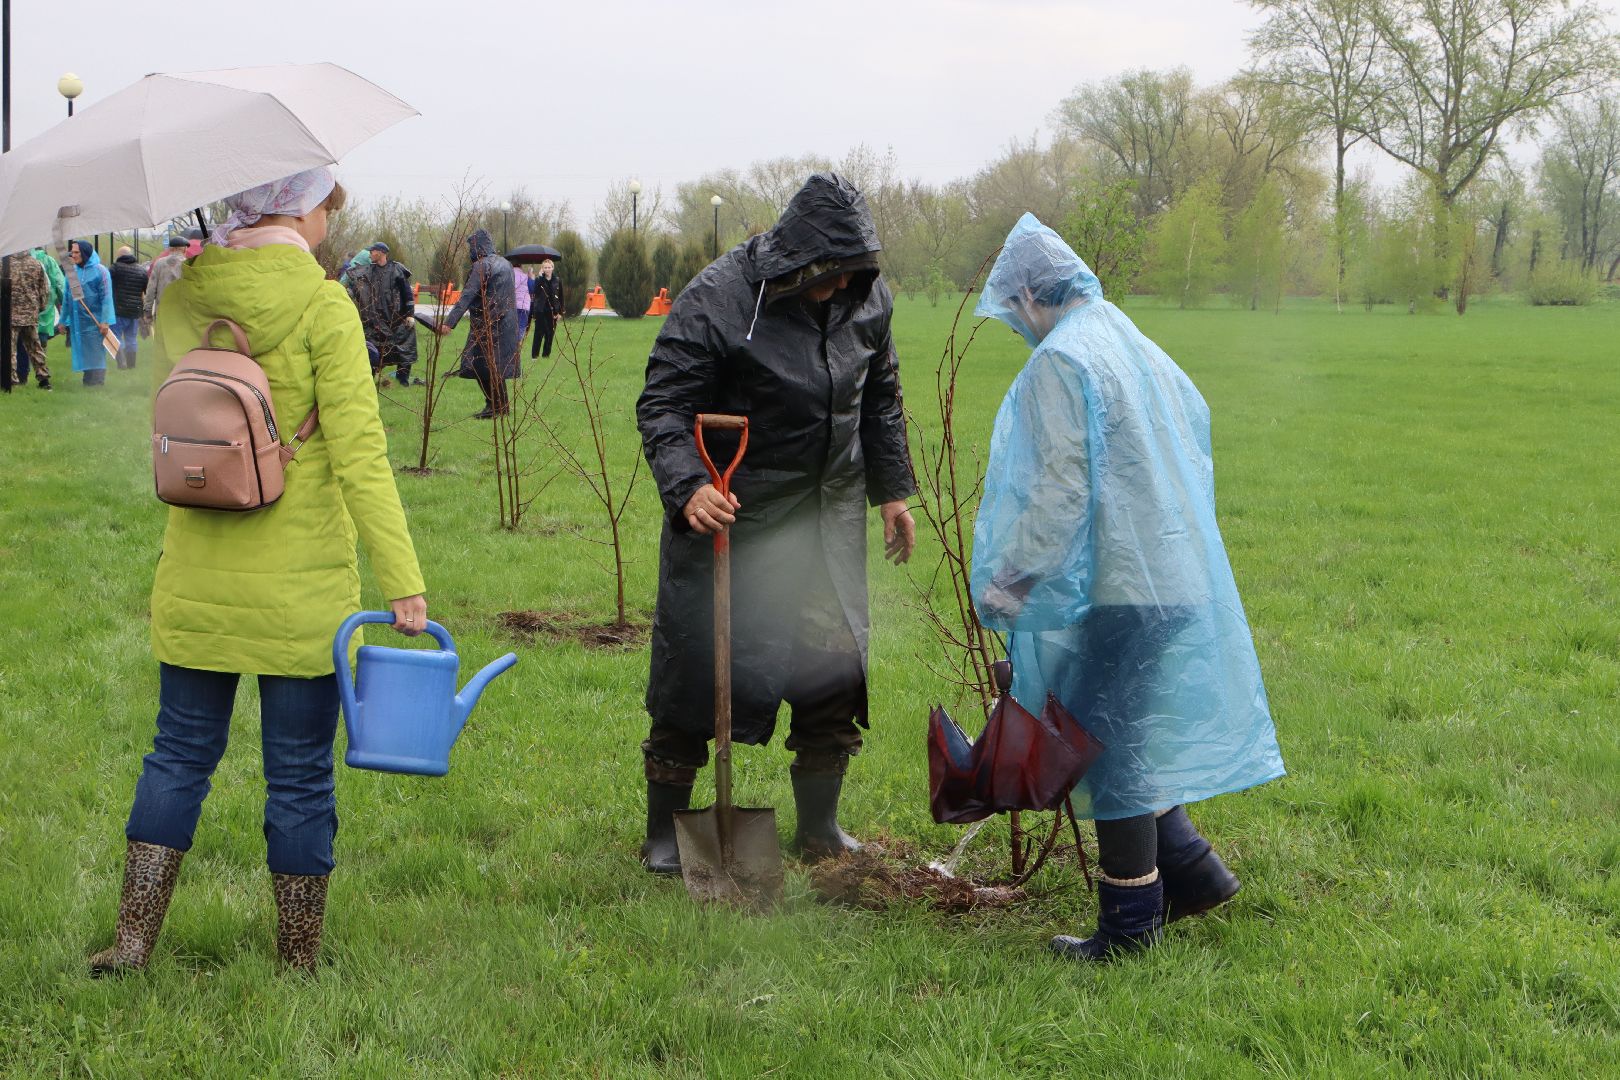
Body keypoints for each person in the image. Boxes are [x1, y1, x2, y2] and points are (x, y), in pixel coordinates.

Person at [88, 166, 428, 976]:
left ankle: (131, 944)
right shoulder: (323, 305)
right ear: (294, 208)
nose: (325, 225)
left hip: (197, 575)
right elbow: (361, 457)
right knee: (301, 775)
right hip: (301, 589)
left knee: (177, 755)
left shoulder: (181, 298)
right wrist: (403, 579)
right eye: (321, 208)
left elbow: (174, 431)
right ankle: (298, 961)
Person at [969, 214, 1285, 962]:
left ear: (1028, 295)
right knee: (1114, 730)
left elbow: (1059, 490)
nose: (1016, 324)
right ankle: (1195, 874)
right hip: (1173, 572)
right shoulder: (1126, 339)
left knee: (1102, 740)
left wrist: (1012, 581)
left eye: (1014, 310)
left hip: (1124, 584)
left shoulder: (1062, 361)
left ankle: (1130, 924)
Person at [635, 172, 916, 874]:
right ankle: (667, 832)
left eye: (853, 276)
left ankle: (820, 828)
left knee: (831, 669)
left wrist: (892, 492)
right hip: (737, 514)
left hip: (829, 515)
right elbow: (664, 402)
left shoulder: (867, 298)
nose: (840, 290)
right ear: (798, 263)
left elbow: (880, 396)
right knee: (695, 670)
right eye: (829, 276)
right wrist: (689, 484)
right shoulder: (719, 298)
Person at [435, 229, 519, 419]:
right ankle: (501, 406)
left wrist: (449, 323)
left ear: (477, 246)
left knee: (478, 365)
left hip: (487, 324)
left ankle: (494, 407)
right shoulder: (505, 264)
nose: (469, 251)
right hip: (505, 324)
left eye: (470, 247)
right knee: (495, 367)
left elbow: (467, 295)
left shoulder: (482, 266)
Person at [344, 241, 420, 386]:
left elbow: (407, 294)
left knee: (404, 346)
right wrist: (348, 293)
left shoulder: (396, 270)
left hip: (395, 320)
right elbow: (358, 287)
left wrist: (410, 314)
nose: (370, 254)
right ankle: (369, 381)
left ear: (381, 252)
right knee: (371, 349)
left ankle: (402, 380)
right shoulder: (367, 271)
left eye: (373, 251)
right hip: (374, 322)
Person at [61, 240, 116, 387]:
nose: (73, 255)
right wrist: (63, 320)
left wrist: (105, 321)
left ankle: (97, 382)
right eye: (72, 252)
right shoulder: (72, 273)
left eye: (77, 252)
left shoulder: (101, 271)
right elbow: (67, 298)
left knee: (96, 351)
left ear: (85, 253)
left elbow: (106, 298)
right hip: (78, 322)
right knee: (84, 351)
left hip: (95, 321)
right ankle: (88, 381)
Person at [8, 250, 53, 390]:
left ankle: (11, 380)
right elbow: (45, 289)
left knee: (10, 349)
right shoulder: (36, 264)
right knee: (35, 347)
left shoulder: (4, 264)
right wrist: (40, 307)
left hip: (10, 314)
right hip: (30, 313)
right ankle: (44, 379)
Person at [141, 235, 189, 338]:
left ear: (170, 249)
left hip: (162, 312)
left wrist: (148, 312)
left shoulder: (159, 263)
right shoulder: (188, 264)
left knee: (162, 344)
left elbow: (151, 289)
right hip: (182, 313)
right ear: (184, 249)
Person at [109, 246, 147, 370]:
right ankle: (131, 365)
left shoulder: (114, 268)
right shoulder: (141, 270)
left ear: (119, 256)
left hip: (118, 309)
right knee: (131, 338)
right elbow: (145, 291)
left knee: (115, 336)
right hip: (135, 311)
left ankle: (121, 363)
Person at [529, 258, 561, 359]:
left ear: (553, 268)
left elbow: (561, 296)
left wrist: (560, 312)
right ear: (542, 268)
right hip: (540, 310)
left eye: (549, 267)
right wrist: (540, 277)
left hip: (552, 311)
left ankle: (546, 354)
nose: (548, 269)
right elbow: (535, 292)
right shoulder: (539, 280)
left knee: (550, 333)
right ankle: (535, 355)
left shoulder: (557, 280)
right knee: (539, 333)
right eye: (545, 267)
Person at [512, 262, 531, 341]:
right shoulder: (525, 276)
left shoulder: (509, 276)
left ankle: (511, 345)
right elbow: (532, 289)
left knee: (511, 327)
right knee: (522, 326)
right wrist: (530, 276)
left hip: (512, 305)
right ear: (520, 265)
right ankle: (517, 344)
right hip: (524, 306)